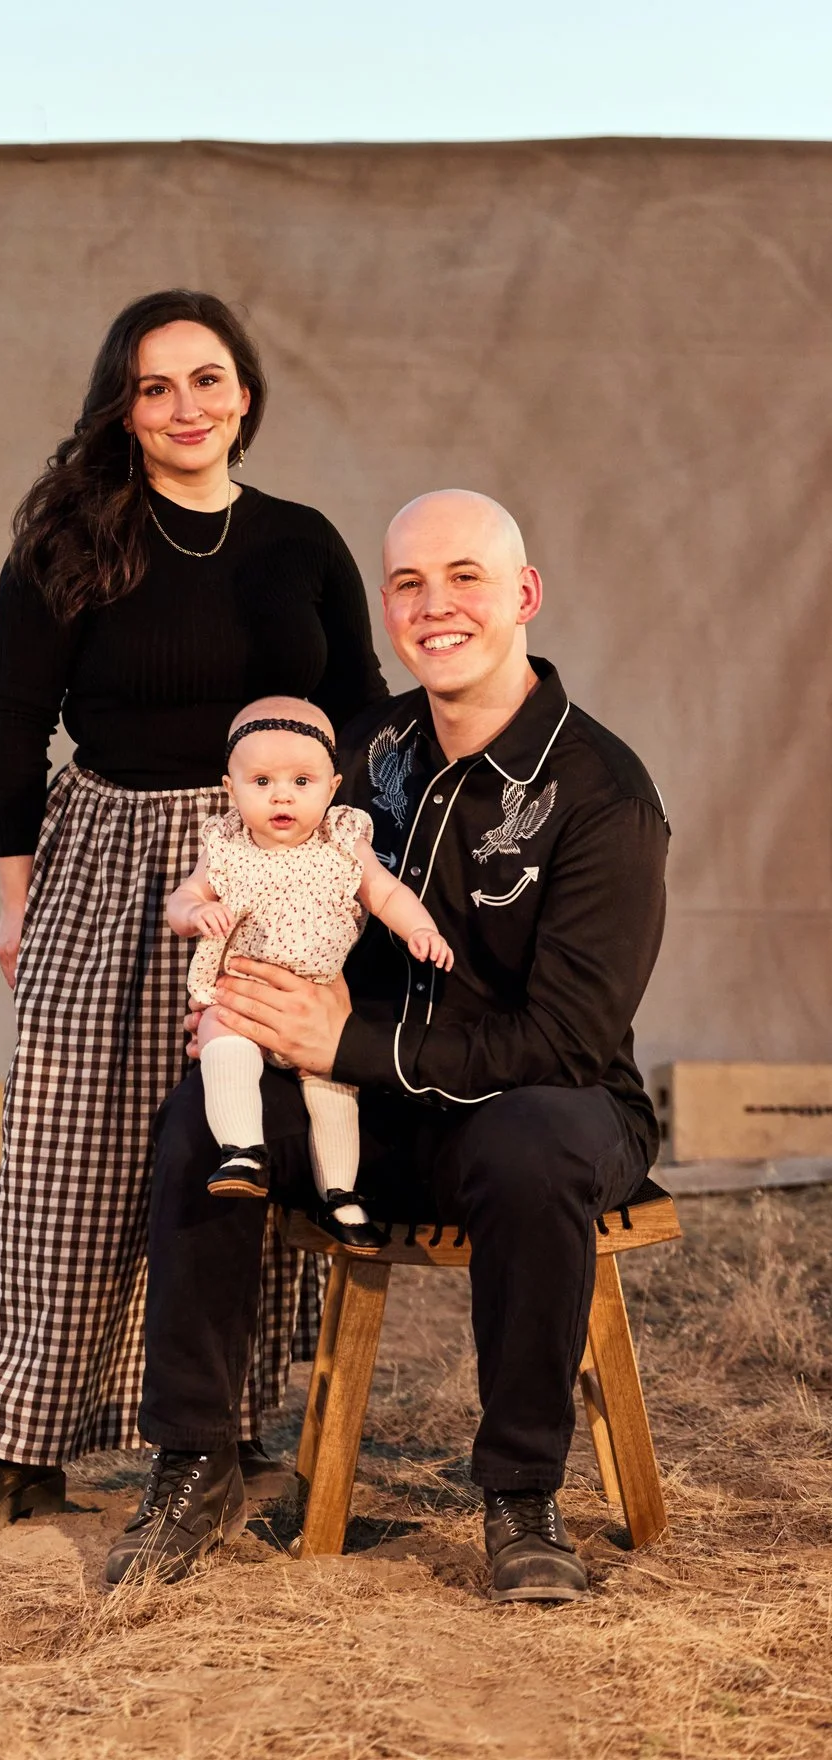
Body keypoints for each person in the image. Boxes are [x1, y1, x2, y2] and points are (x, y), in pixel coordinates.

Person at [102, 488, 670, 1603]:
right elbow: (277, 898)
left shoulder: (604, 795)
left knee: (536, 1141)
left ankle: (519, 1498)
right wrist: (243, 1002)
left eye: (465, 576)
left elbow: (567, 1037)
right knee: (207, 1110)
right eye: (407, 582)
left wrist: (349, 1044)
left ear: (525, 595)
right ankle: (198, 1462)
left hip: (544, 1110)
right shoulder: (356, 753)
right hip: (365, 1110)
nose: (434, 604)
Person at [0, 289, 387, 1543]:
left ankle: (218, 1434)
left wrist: (351, 867)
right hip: (108, 852)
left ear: (247, 395)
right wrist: (18, 903)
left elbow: (369, 712)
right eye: (156, 384)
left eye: (210, 380)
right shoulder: (68, 543)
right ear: (121, 404)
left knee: (222, 1147)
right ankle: (15, 1447)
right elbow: (16, 728)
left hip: (269, 870)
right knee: (63, 1155)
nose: (187, 407)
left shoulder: (301, 543)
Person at [167, 694, 452, 1249]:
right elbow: (183, 898)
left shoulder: (343, 839)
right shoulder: (225, 844)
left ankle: (341, 1195)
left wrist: (420, 928)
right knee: (222, 1043)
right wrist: (196, 912)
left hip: (320, 1002)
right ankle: (242, 1152)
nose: (282, 796)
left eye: (302, 781)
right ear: (231, 788)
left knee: (333, 1086)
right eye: (263, 781)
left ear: (332, 785)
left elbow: (384, 892)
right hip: (240, 996)